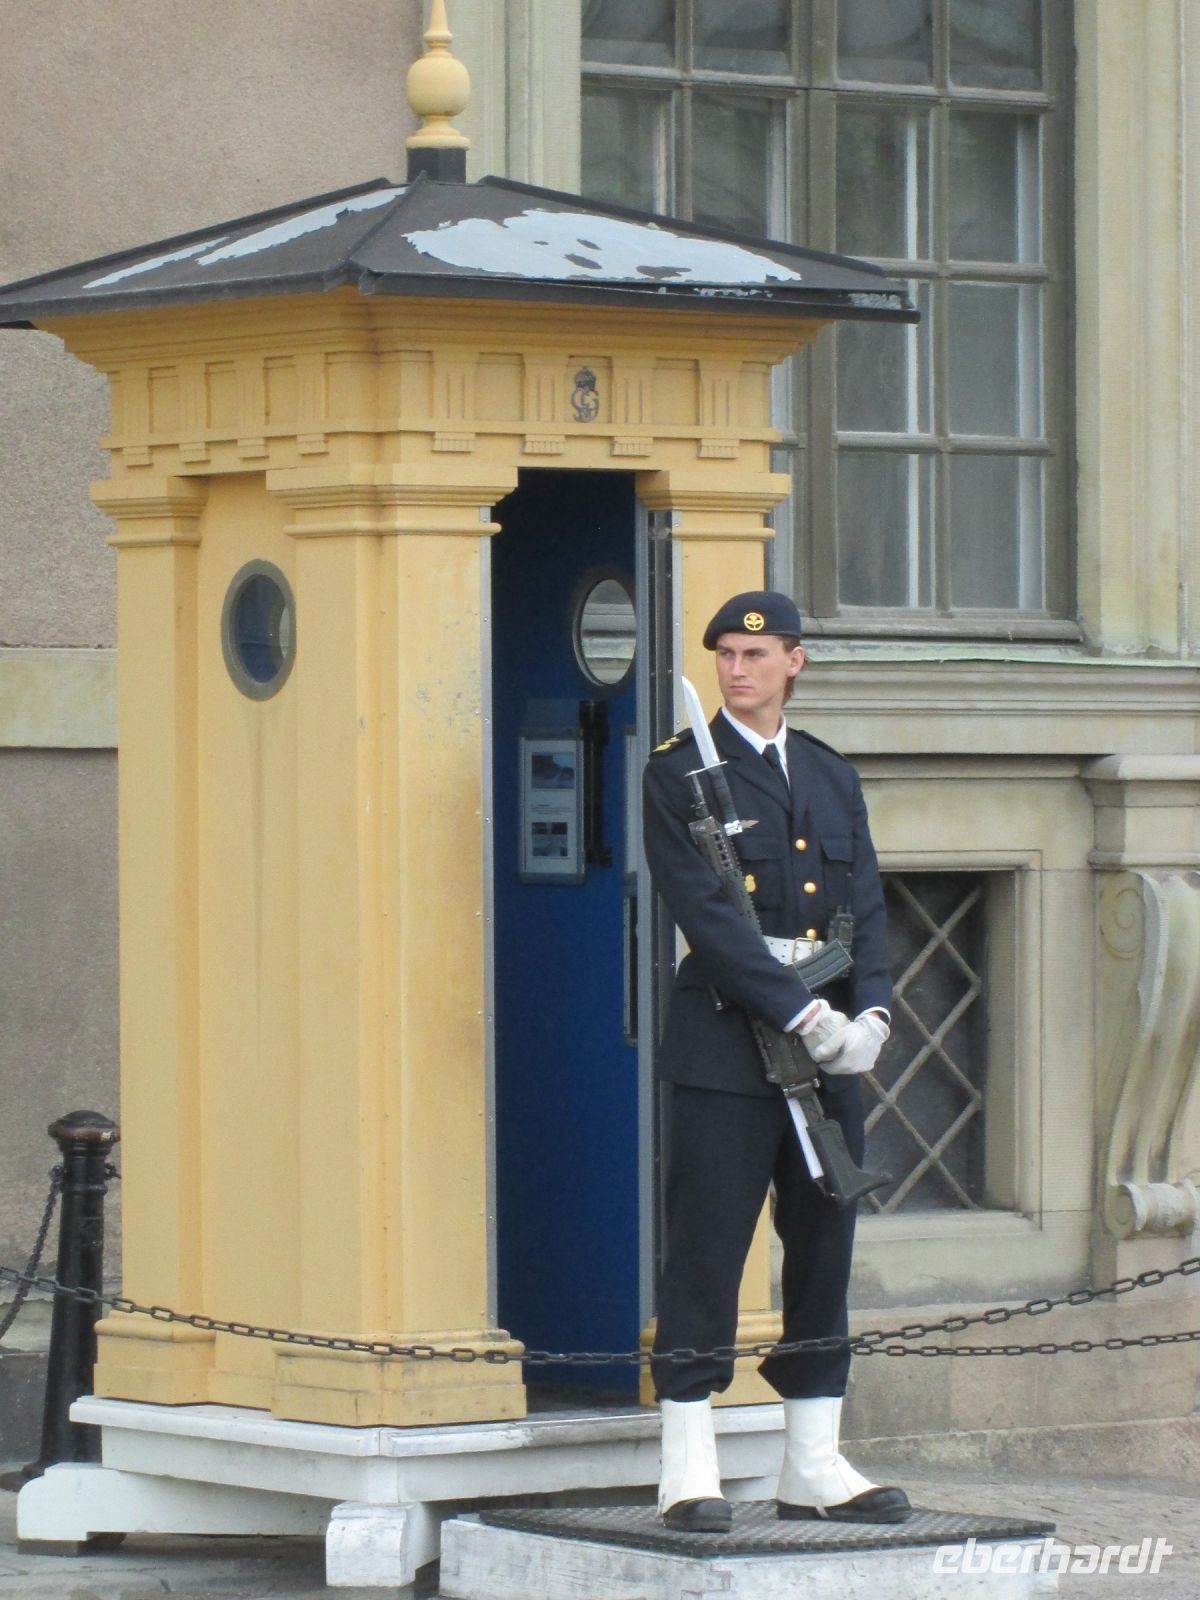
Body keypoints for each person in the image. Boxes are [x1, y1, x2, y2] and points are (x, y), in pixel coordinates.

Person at [641, 589, 910, 1533]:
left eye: (757, 655)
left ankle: (813, 1460)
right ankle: (687, 1463)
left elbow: (866, 908)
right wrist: (800, 1011)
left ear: (795, 662)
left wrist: (869, 1013)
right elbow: (708, 921)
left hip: (831, 1046)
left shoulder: (832, 778)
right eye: (725, 654)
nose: (737, 668)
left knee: (824, 1242)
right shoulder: (680, 776)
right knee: (708, 1250)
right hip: (726, 1043)